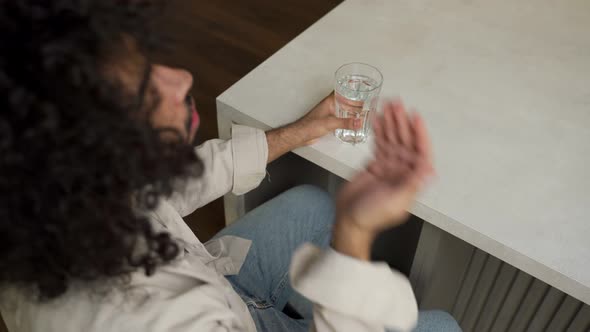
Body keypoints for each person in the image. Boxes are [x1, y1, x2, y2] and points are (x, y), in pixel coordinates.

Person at [0, 1, 461, 331]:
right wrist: (354, 236)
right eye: (142, 93)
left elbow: (160, 190)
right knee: (441, 325)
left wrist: (297, 131)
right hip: (221, 314)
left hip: (222, 288)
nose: (182, 79)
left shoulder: (51, 209)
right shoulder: (160, 321)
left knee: (311, 202)